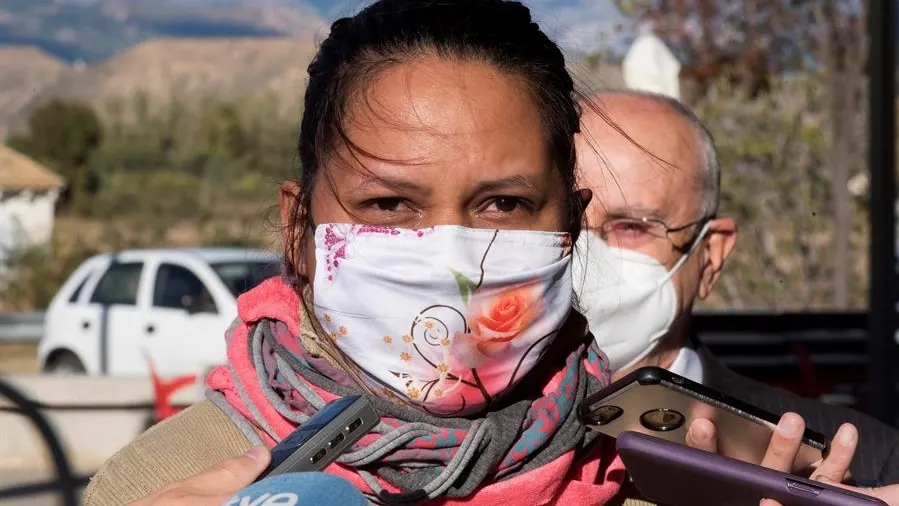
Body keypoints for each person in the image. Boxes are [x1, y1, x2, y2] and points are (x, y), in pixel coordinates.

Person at [82, 2, 856, 505]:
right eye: (389, 205)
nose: (451, 252)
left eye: (504, 205)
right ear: (300, 233)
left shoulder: (664, 475)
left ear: (570, 225)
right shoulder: (160, 483)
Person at [573, 89, 899, 492]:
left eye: (632, 226)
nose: (583, 252)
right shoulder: (479, 443)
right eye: (567, 220)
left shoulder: (869, 460)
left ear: (710, 256)